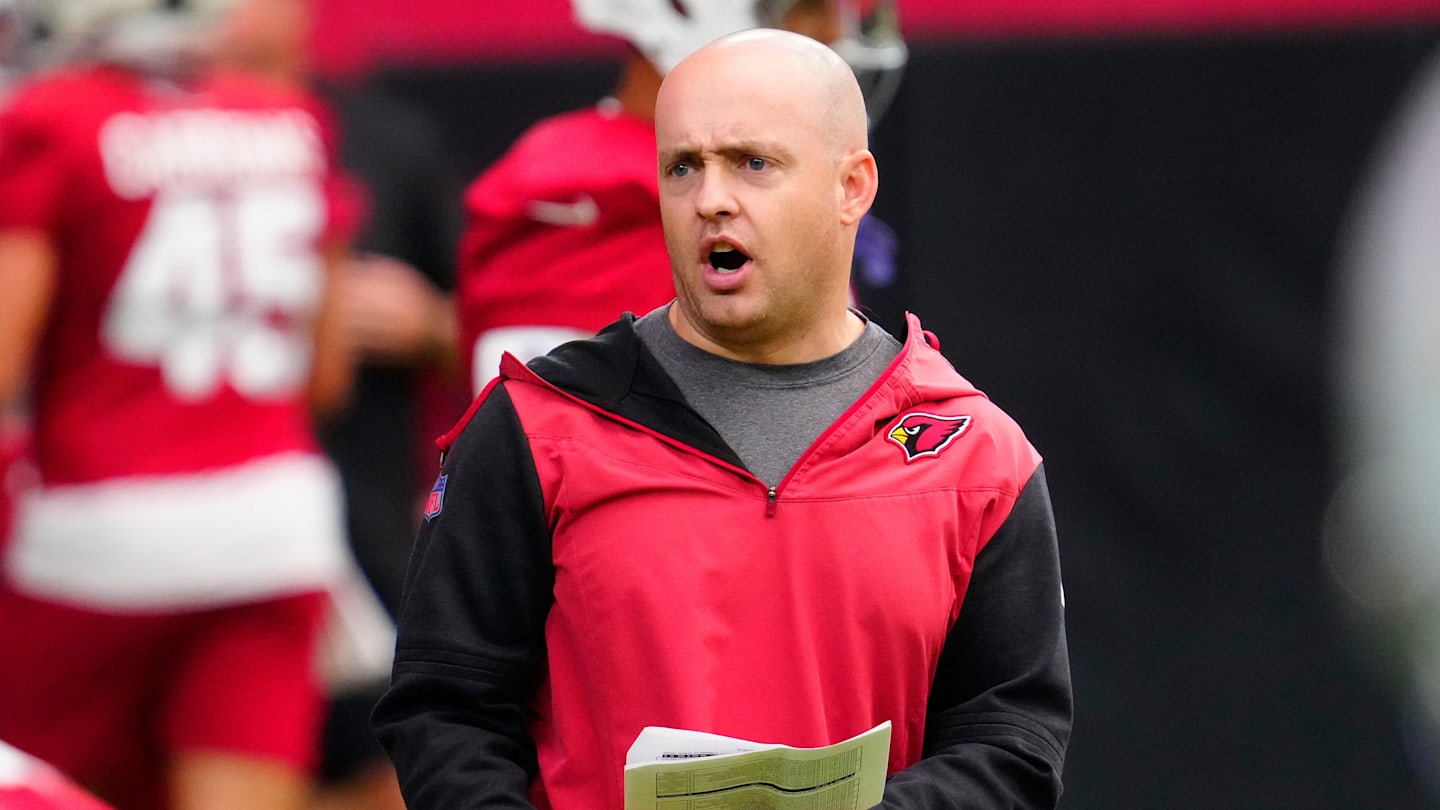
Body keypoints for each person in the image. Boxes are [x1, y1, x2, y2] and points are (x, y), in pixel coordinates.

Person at [374, 28, 1072, 809]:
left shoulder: (976, 457)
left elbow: (1012, 740)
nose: (710, 199)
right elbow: (444, 710)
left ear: (852, 186)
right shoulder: (537, 428)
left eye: (753, 163)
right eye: (683, 167)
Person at [0, 1, 361, 807]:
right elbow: (326, 376)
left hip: (95, 538)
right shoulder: (291, 119)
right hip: (275, 526)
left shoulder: (53, 117)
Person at [455, 0, 907, 394]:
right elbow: (568, 460)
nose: (835, 31)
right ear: (684, 10)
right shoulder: (584, 199)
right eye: (807, 6)